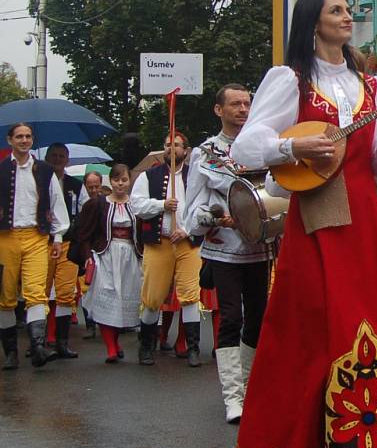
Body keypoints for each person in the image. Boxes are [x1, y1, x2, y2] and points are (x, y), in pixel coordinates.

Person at [229, 0, 377, 448]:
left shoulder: (373, 86)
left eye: (347, 9)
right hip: (317, 222)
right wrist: (292, 146)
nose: (347, 15)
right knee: (311, 338)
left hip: (368, 223)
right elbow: (247, 146)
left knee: (369, 333)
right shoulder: (290, 80)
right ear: (312, 23)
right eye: (336, 10)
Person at [185, 83, 272, 424]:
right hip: (223, 248)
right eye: (235, 104)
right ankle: (232, 397)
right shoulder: (205, 153)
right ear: (219, 110)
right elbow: (192, 209)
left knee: (259, 317)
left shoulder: (263, 147)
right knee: (231, 317)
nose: (243, 109)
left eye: (247, 103)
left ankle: (250, 389)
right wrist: (213, 218)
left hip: (259, 247)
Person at [130, 133, 202, 367]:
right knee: (153, 297)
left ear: (186, 150)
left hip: (187, 243)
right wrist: (162, 205)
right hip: (159, 243)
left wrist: (189, 229)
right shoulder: (149, 176)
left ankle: (193, 349)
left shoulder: (196, 176)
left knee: (191, 296)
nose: (171, 148)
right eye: (168, 144)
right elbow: (137, 205)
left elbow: (204, 206)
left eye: (176, 145)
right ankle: (146, 346)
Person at [0, 123, 69, 369]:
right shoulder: (1, 169)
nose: (24, 140)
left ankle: (38, 347)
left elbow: (57, 204)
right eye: (19, 136)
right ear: (10, 140)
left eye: (28, 136)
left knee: (36, 293)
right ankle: (10, 352)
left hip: (36, 237)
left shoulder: (45, 171)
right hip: (5, 237)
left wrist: (58, 237)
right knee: (5, 297)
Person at [74, 164, 143, 363]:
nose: (120, 184)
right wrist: (88, 256)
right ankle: (111, 347)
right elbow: (84, 233)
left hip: (130, 255)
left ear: (130, 181)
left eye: (124, 180)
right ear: (110, 181)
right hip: (105, 256)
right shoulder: (98, 204)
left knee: (123, 300)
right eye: (116, 180)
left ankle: (115, 341)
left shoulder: (137, 204)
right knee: (108, 297)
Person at [44, 142, 89, 358]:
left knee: (65, 293)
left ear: (67, 160)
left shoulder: (76, 185)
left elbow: (86, 212)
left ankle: (62, 343)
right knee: (39, 292)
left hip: (68, 243)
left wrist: (78, 234)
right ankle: (40, 341)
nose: (57, 159)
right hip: (42, 241)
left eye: (61, 156)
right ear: (46, 158)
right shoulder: (38, 181)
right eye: (54, 155)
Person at [79, 170, 104, 340]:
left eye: (96, 186)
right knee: (85, 287)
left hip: (102, 249)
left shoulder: (105, 202)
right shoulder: (82, 203)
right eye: (90, 187)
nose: (94, 190)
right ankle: (90, 324)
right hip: (86, 249)